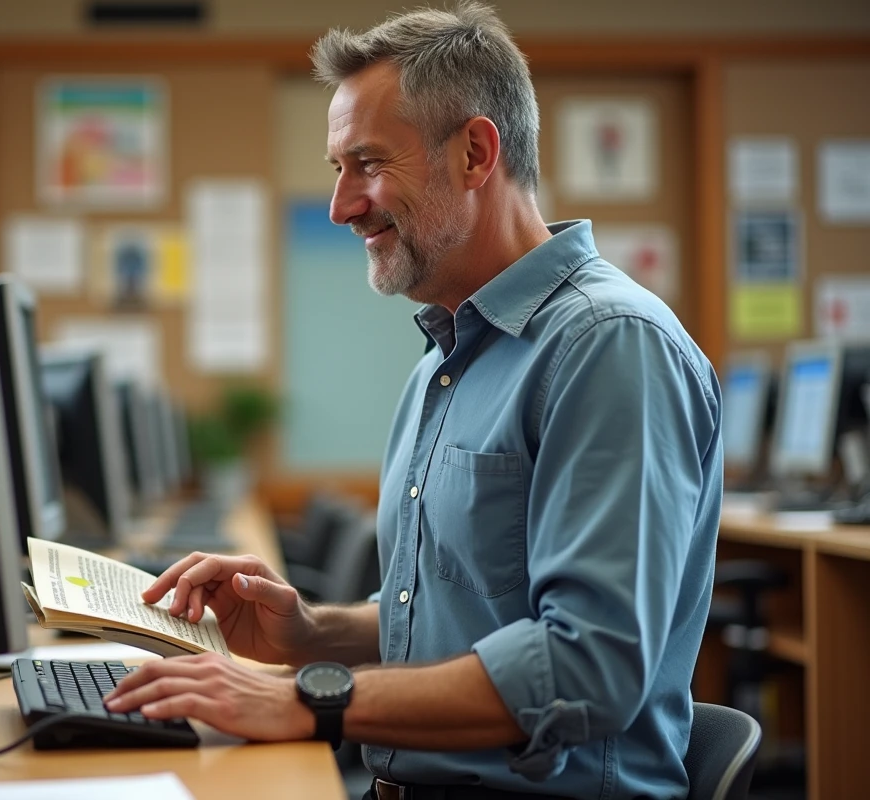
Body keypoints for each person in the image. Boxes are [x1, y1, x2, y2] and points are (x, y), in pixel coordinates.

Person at [105, 3, 723, 798]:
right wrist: (309, 633)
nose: (341, 206)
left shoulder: (608, 345)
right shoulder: (449, 356)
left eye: (366, 163)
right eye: (338, 169)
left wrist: (310, 700)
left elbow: (587, 664)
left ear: (474, 152)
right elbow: (460, 617)